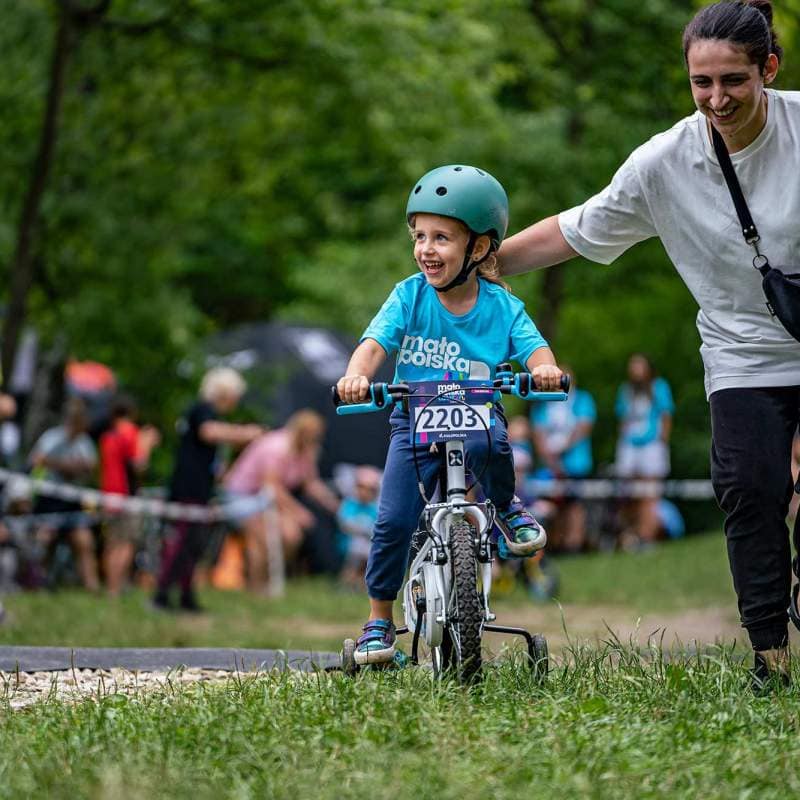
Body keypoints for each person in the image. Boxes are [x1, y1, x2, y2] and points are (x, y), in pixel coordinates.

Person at [498, 0, 800, 687]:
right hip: (742, 352)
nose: (717, 98)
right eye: (702, 82)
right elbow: (576, 229)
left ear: (769, 70)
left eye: (734, 80)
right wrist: (478, 264)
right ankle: (769, 657)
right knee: (748, 492)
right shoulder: (666, 162)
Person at [336, 164, 563, 665]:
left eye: (441, 237)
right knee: (393, 519)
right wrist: (357, 374)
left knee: (495, 445)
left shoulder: (501, 306)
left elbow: (535, 349)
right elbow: (374, 345)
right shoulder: (409, 295)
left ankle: (504, 507)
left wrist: (544, 371)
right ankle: (379, 620)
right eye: (419, 236)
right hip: (414, 418)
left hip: (477, 412)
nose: (426, 249)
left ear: (479, 248)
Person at [153, 367, 263, 612]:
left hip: (199, 490)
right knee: (182, 543)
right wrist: (245, 433)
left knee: (193, 545)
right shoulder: (203, 410)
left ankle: (185, 594)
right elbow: (209, 432)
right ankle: (162, 593)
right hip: (188, 489)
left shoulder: (207, 413)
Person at [223, 409, 341, 591]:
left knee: (292, 535)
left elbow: (310, 483)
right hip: (243, 498)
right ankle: (257, 586)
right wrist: (299, 512)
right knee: (264, 536)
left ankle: (273, 580)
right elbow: (272, 488)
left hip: (266, 500)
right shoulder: (276, 448)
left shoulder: (306, 450)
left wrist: (335, 505)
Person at [29, 397, 100, 591]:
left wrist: (66, 466)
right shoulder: (52, 437)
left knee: (84, 542)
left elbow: (91, 467)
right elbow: (37, 459)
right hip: (50, 498)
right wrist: (66, 466)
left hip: (73, 500)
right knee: (45, 541)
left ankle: (91, 586)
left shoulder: (85, 442)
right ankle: (36, 583)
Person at [99, 394, 160, 597]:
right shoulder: (130, 432)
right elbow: (139, 464)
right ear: (132, 413)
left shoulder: (108, 436)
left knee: (112, 543)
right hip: (127, 496)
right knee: (126, 543)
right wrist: (148, 443)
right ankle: (116, 589)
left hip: (108, 495)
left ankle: (111, 586)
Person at [530, 366, 596, 553]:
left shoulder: (582, 399)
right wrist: (549, 457)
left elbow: (584, 427)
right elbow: (538, 432)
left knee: (575, 504)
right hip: (549, 465)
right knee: (552, 504)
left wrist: (562, 449)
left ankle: (573, 544)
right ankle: (555, 544)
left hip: (576, 462)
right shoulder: (542, 404)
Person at [614, 353, 674, 549]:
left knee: (650, 493)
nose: (635, 370)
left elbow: (666, 416)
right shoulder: (626, 391)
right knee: (631, 495)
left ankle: (648, 537)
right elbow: (622, 418)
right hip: (630, 446)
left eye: (639, 366)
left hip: (652, 445)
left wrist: (662, 441)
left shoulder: (659, 387)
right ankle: (633, 536)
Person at [336, 466, 381, 590]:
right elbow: (344, 523)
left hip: (368, 545)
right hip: (349, 544)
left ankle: (363, 582)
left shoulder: (375, 509)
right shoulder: (349, 505)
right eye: (361, 487)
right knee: (357, 549)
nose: (364, 492)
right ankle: (347, 581)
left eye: (370, 489)